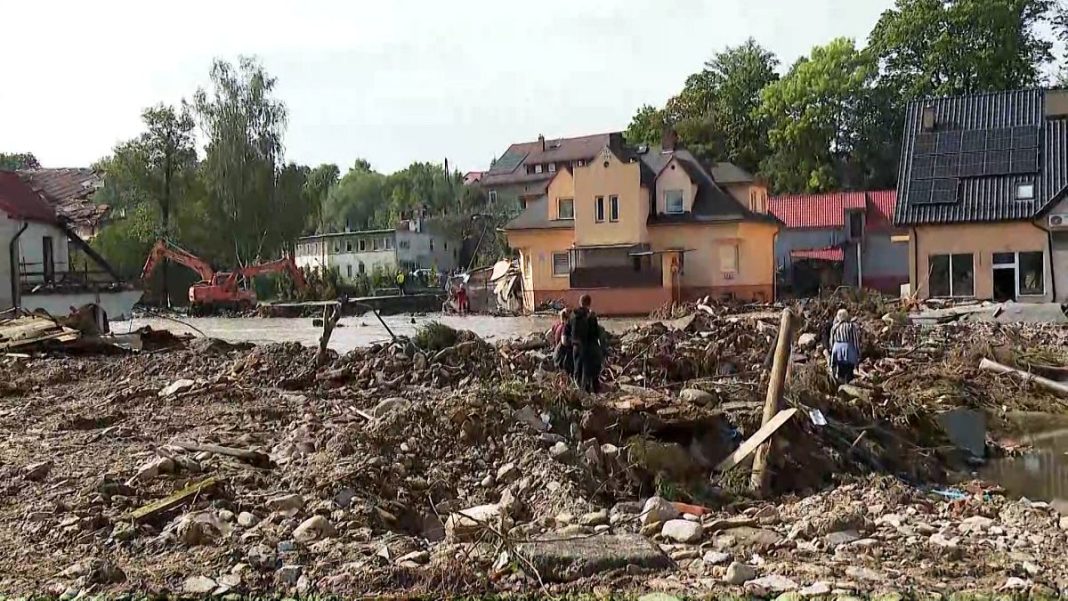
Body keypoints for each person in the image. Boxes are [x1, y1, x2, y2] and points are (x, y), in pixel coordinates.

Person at [569, 294, 602, 393]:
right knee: (589, 371)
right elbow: (596, 333)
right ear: (589, 303)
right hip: (588, 347)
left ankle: (578, 391)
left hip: (576, 346)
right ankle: (590, 391)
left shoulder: (573, 315)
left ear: (580, 302)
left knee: (578, 370)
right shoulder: (591, 316)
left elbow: (568, 330)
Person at [829, 308, 862, 383]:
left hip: (837, 348)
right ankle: (848, 383)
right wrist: (858, 352)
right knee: (849, 368)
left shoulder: (834, 327)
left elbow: (831, 341)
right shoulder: (850, 326)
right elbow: (855, 340)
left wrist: (831, 351)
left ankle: (840, 383)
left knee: (840, 367)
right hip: (847, 348)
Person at [552, 308, 573, 374]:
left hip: (557, 351)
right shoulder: (565, 327)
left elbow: (548, 335)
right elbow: (564, 342)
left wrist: (553, 345)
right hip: (562, 355)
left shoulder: (557, 325)